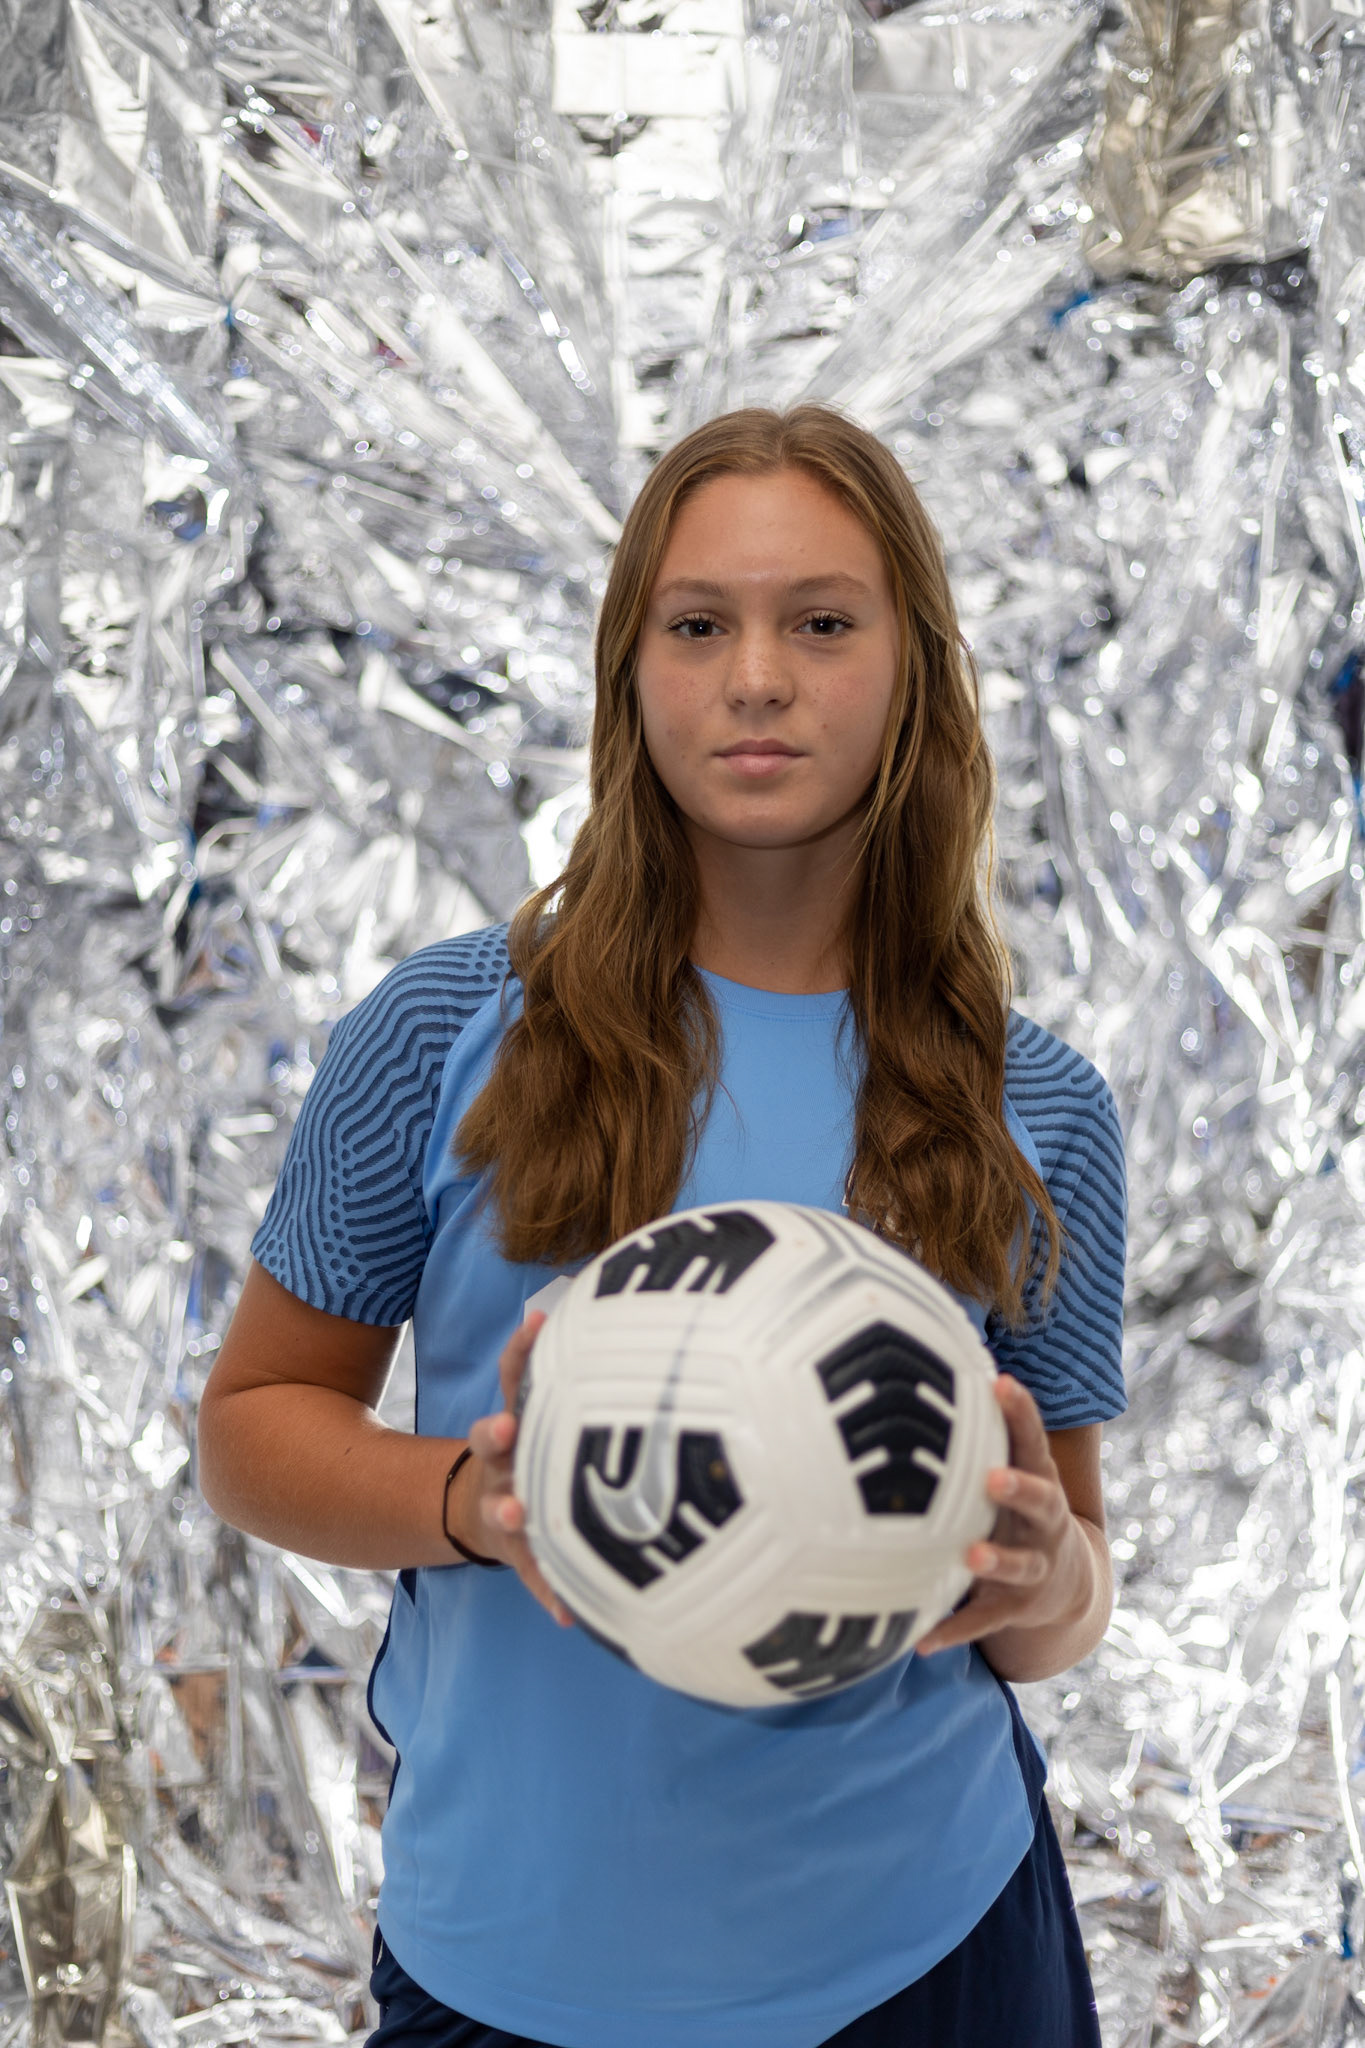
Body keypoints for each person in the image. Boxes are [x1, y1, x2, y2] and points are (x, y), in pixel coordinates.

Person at [197, 404, 1127, 2048]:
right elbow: (254, 1426)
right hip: (514, 1963)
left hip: (928, 1953)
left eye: (821, 624)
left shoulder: (1033, 1103)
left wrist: (1046, 1578)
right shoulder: (440, 1033)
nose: (756, 679)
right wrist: (479, 1503)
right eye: (698, 626)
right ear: (629, 671)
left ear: (914, 669)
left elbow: (1054, 1605)